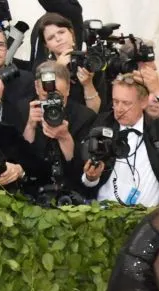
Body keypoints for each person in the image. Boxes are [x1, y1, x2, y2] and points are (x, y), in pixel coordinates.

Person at [81, 66, 159, 207]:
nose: (119, 108)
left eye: (126, 103)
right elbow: (83, 180)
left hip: (150, 219)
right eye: (115, 102)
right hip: (105, 217)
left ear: (144, 102)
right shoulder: (101, 126)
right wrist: (91, 177)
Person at [18, 61, 97, 193]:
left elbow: (82, 172)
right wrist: (30, 127)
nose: (51, 101)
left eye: (57, 96)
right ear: (37, 88)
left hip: (70, 193)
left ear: (68, 89)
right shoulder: (23, 110)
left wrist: (65, 138)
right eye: (45, 96)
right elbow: (19, 161)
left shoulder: (84, 117)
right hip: (31, 191)